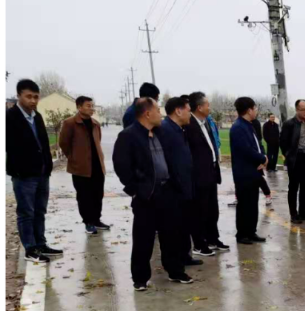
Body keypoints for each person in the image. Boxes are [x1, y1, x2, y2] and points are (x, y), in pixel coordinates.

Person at [113, 98, 192, 290]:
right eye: (157, 110)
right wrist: (136, 189)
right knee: (143, 238)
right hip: (146, 195)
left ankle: (175, 271)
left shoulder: (161, 132)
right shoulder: (128, 136)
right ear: (147, 113)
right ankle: (140, 278)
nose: (160, 113)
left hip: (168, 192)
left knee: (171, 235)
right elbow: (122, 167)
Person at [5, 79, 62, 264]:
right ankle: (30, 249)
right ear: (19, 96)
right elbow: (10, 146)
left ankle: (41, 244)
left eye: (36, 97)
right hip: (23, 175)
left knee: (40, 211)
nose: (33, 100)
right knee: (26, 212)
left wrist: (48, 165)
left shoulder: (37, 116)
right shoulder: (9, 117)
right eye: (28, 96)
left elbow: (43, 143)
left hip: (42, 172)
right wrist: (19, 168)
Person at [159, 96, 202, 267]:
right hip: (173, 189)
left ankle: (185, 256)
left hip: (185, 186)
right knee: (173, 228)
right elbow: (168, 163)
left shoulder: (179, 129)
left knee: (184, 225)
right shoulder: (165, 130)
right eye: (188, 110)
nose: (190, 114)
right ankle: (175, 263)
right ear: (178, 111)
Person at [59, 96, 109, 235]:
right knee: (84, 196)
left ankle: (97, 220)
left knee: (98, 194)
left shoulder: (96, 124)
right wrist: (74, 157)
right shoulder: (70, 123)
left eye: (92, 105)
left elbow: (98, 141)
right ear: (79, 107)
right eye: (88, 106)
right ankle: (88, 222)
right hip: (80, 168)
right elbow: (63, 143)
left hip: (97, 165)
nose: (91, 108)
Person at [186, 92, 228, 257]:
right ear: (199, 107)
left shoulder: (206, 123)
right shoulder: (189, 125)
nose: (209, 107)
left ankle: (212, 239)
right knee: (200, 211)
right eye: (207, 105)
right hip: (199, 175)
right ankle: (199, 243)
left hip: (211, 171)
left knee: (212, 209)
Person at [230, 97, 269, 244]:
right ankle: (242, 234)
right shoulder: (238, 127)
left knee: (253, 203)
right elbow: (246, 150)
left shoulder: (249, 125)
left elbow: (258, 144)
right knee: (244, 204)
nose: (256, 110)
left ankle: (251, 232)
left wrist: (263, 157)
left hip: (254, 171)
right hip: (244, 172)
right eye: (255, 108)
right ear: (248, 110)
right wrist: (262, 158)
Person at [280, 100, 305, 225]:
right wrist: (288, 156)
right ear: (297, 110)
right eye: (303, 109)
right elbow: (283, 143)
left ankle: (302, 211)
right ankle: (293, 214)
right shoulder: (289, 124)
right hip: (295, 159)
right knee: (294, 187)